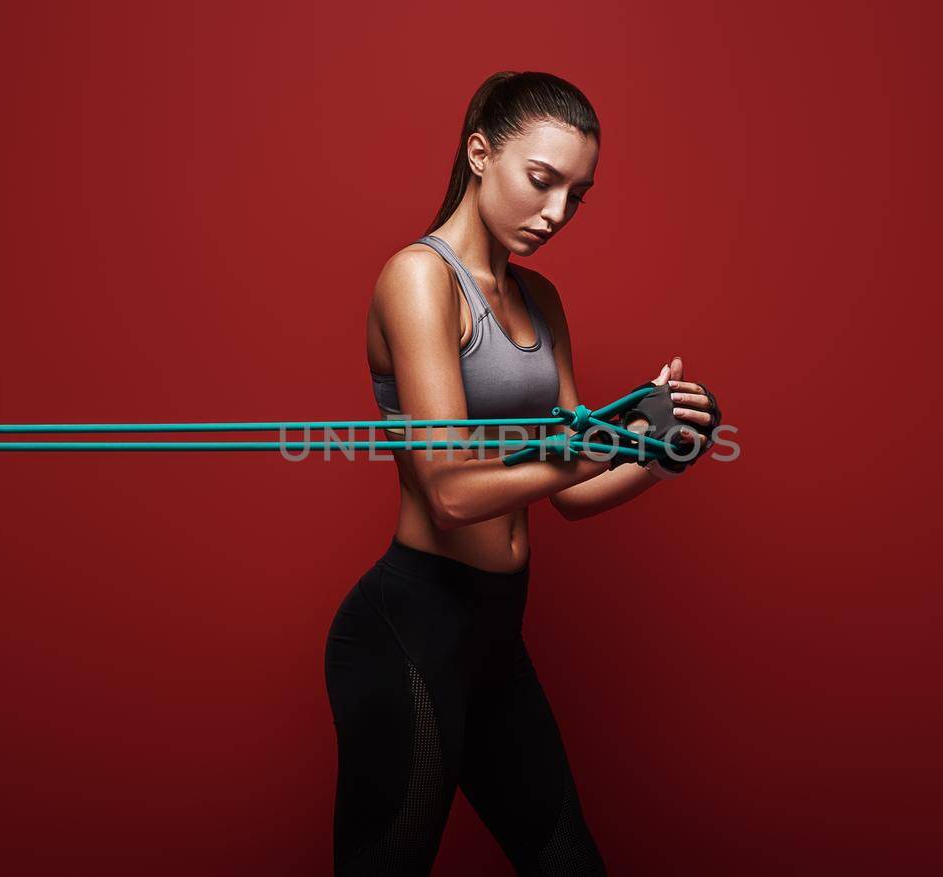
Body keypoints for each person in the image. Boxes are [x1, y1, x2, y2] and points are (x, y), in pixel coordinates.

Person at [324, 70, 721, 875]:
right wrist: (594, 445)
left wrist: (660, 450)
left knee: (570, 863)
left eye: (576, 196)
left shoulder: (540, 297)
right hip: (412, 627)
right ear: (480, 153)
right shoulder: (418, 279)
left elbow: (570, 495)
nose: (555, 213)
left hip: (497, 634)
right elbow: (450, 490)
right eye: (542, 181)